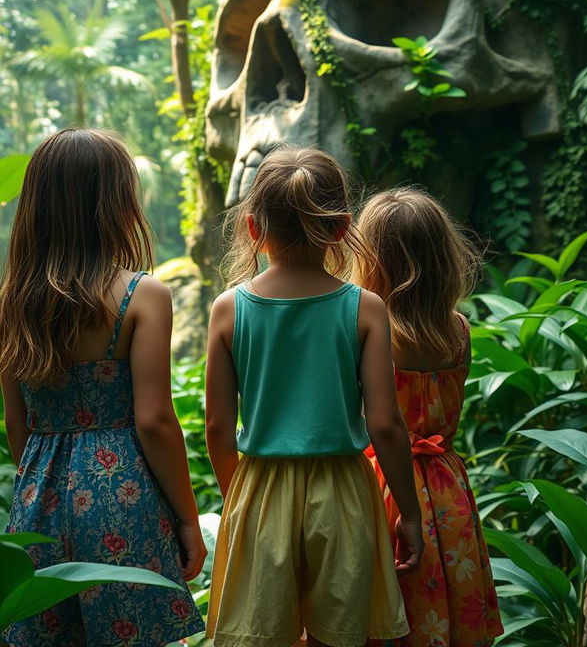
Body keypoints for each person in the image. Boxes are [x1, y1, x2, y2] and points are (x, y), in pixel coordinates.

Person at [205, 146, 424, 647]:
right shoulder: (364, 309)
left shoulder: (228, 309)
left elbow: (218, 427)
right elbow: (385, 424)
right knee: (341, 637)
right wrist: (408, 513)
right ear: (342, 227)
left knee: (262, 636)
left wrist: (235, 493)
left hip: (261, 488)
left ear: (253, 227)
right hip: (343, 491)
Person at [0, 127, 206, 647]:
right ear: (116, 204)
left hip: (38, 495)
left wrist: (48, 478)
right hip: (124, 497)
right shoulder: (142, 295)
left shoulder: (11, 304)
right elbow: (155, 420)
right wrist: (187, 519)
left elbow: (18, 424)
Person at [353, 188, 503, 647]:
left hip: (380, 485)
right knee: (443, 606)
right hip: (447, 489)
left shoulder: (364, 330)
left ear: (371, 258)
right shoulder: (458, 331)